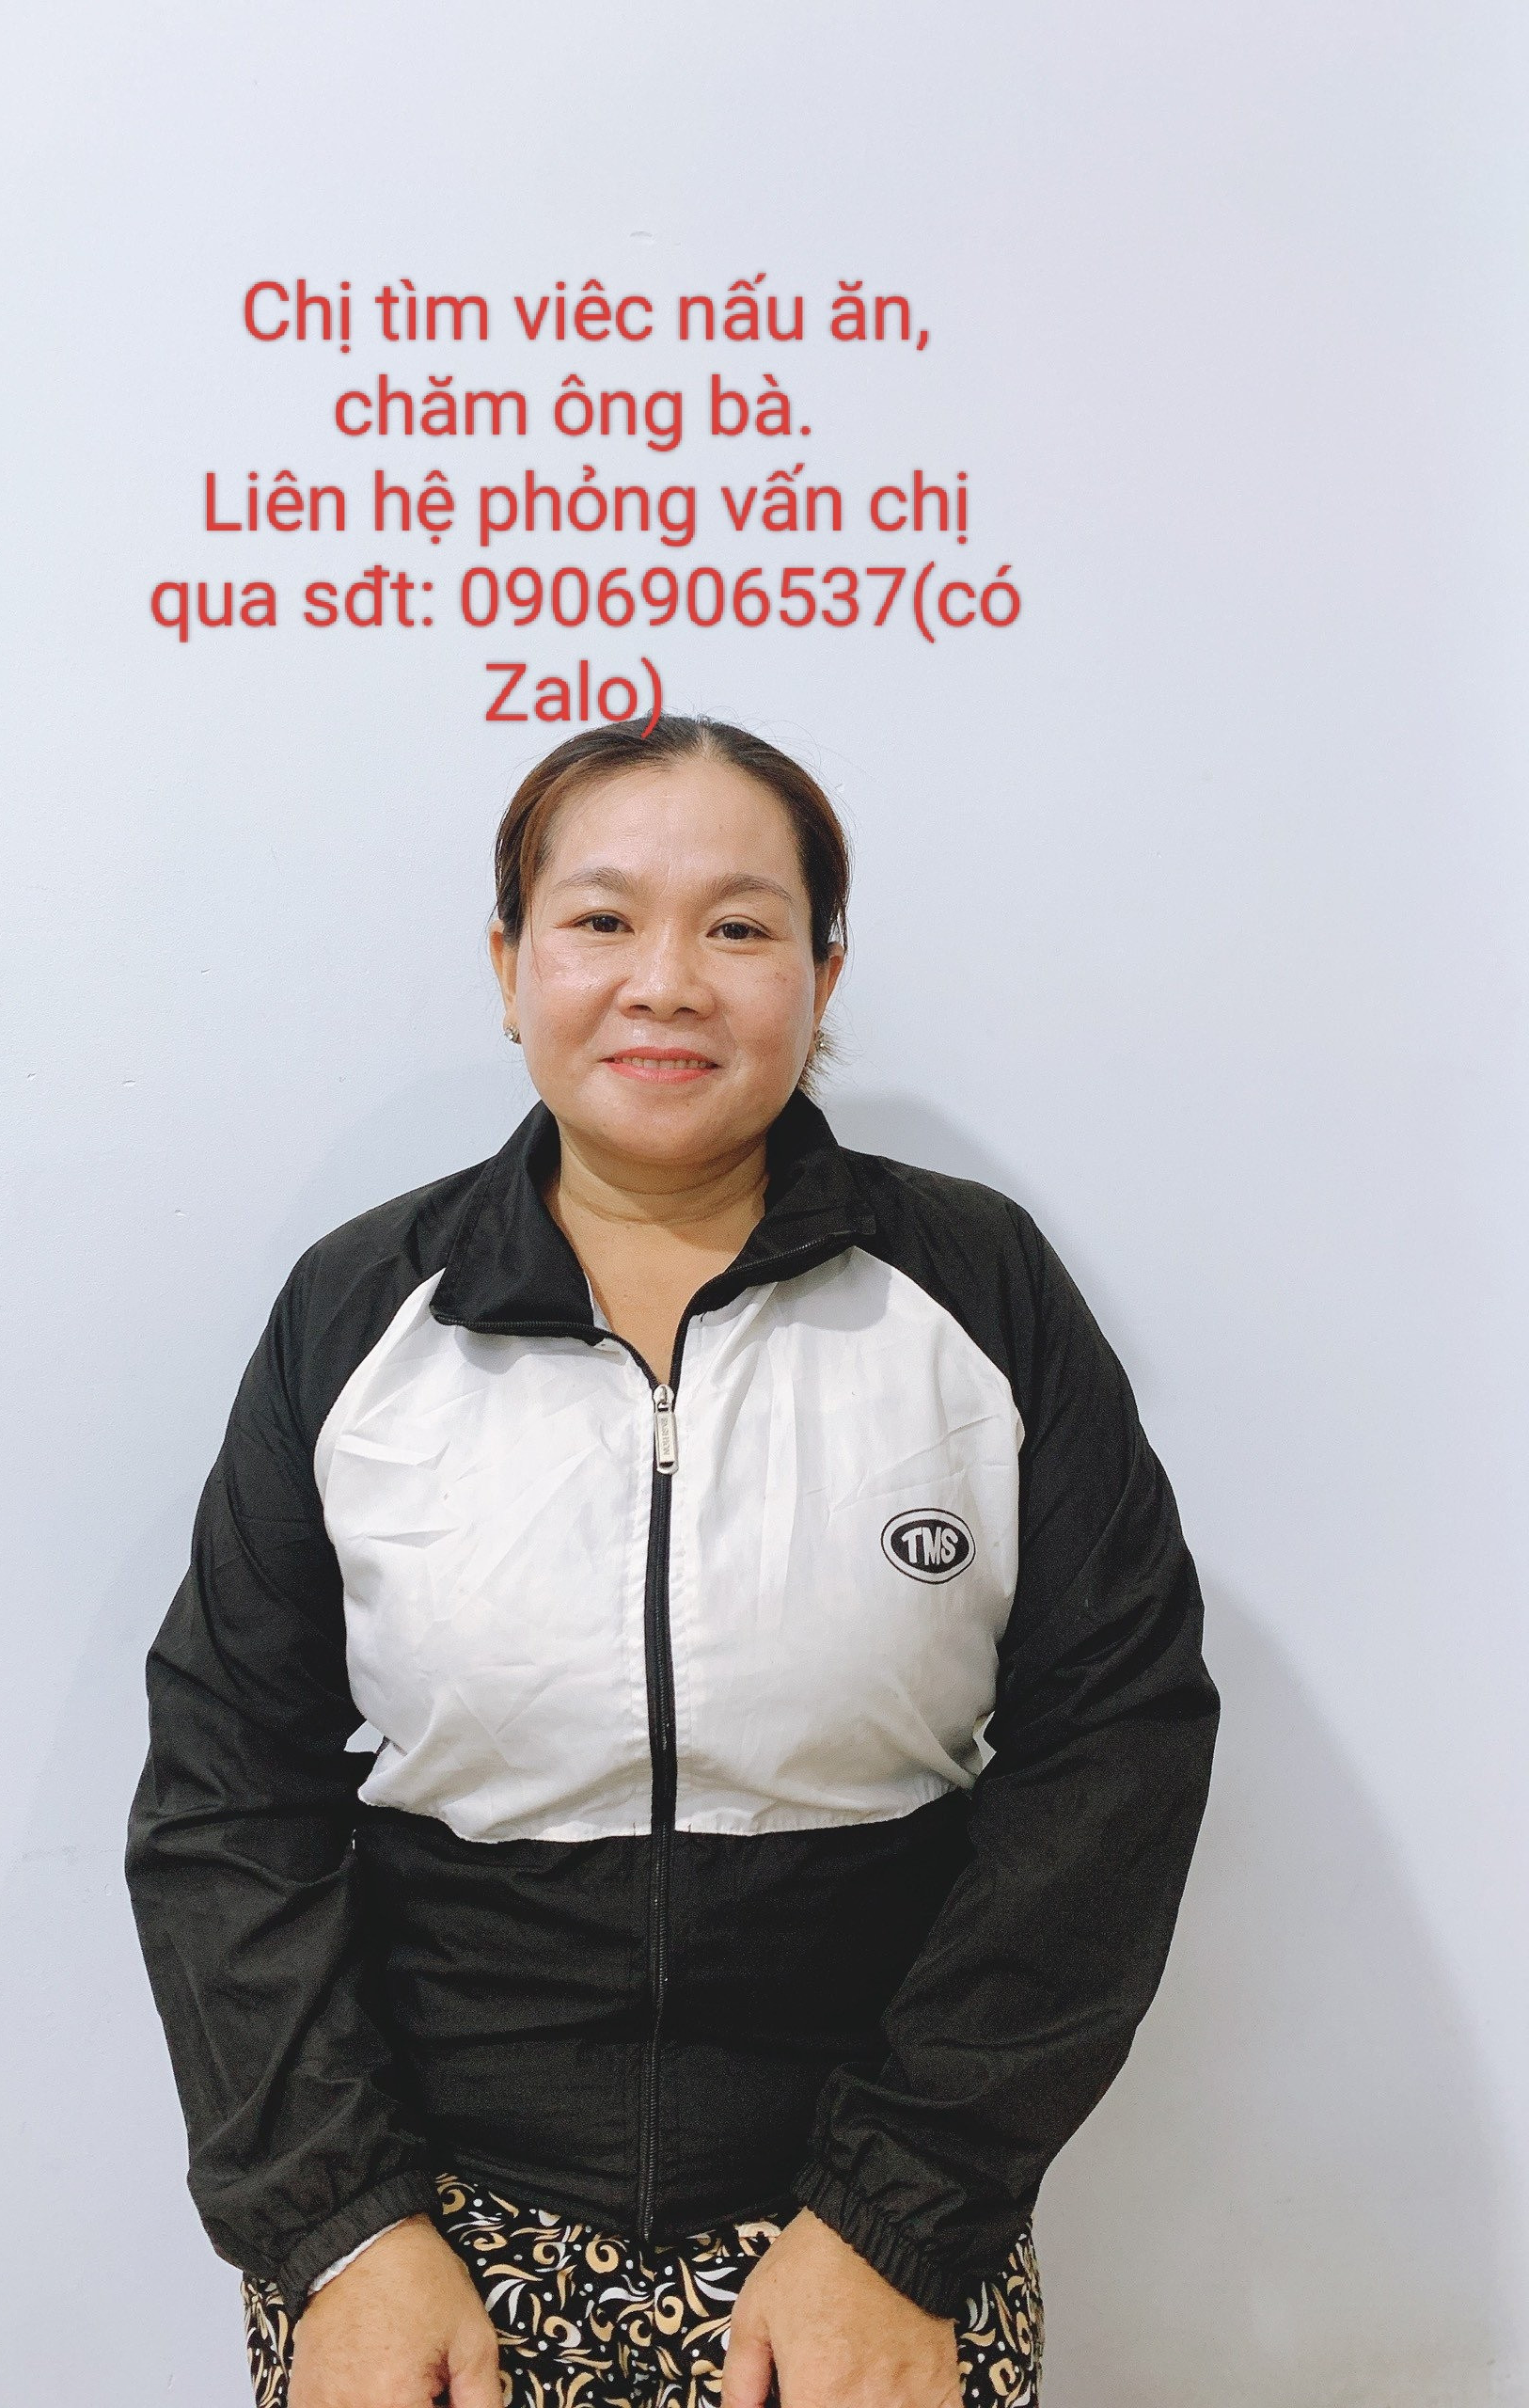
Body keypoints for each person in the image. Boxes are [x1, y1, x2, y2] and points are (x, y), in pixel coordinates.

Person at [124, 715, 1219, 2408]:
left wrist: (900, 2217)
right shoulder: (362, 1311)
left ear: (823, 973)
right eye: (601, 919)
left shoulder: (978, 1288)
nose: (666, 983)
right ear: (510, 966)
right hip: (424, 2246)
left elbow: (1116, 1747)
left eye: (739, 926)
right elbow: (224, 1791)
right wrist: (337, 2229)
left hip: (874, 2247)